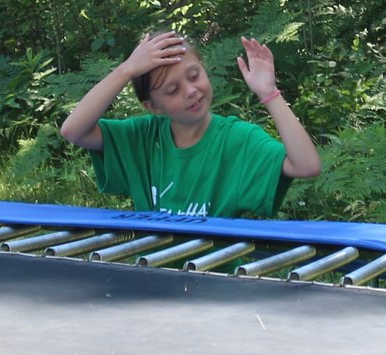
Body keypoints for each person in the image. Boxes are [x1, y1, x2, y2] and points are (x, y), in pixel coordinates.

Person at [61, 31, 319, 218]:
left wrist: (270, 94)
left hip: (214, 284)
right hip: (150, 279)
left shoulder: (237, 139)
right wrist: (126, 70)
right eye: (172, 90)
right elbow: (73, 130)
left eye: (194, 75)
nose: (191, 91)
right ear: (153, 106)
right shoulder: (140, 138)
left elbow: (306, 165)